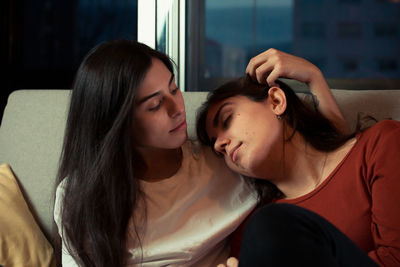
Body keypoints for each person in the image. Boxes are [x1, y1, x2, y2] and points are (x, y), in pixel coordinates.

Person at [53, 41, 344, 267]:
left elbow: (327, 163)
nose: (177, 108)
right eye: (155, 106)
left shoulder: (224, 160)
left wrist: (313, 77)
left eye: (174, 89)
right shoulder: (81, 196)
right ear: (118, 125)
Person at [196, 52, 400, 266]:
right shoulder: (250, 232)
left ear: (276, 100)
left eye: (227, 120)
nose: (220, 145)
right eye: (216, 148)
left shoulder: (382, 145)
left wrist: (314, 77)